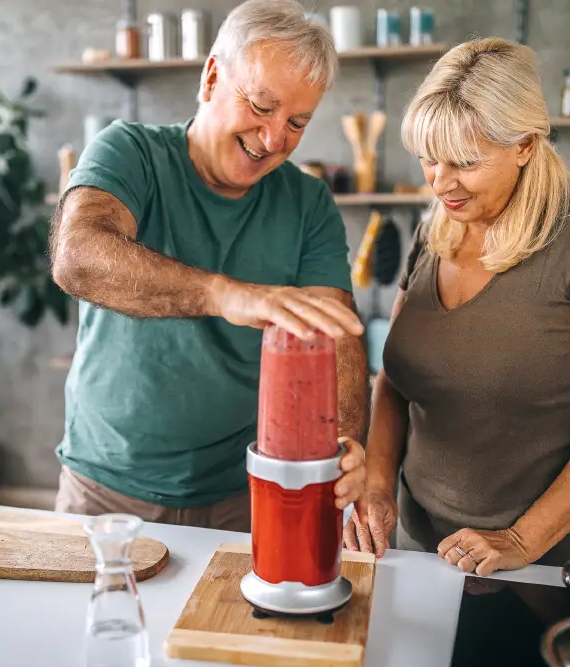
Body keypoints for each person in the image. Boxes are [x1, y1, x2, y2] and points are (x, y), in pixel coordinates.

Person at [344, 37, 570, 576]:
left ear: (526, 145)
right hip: (423, 551)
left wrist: (521, 538)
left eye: (464, 162)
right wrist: (377, 487)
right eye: (429, 157)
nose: (440, 182)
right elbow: (395, 379)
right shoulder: (434, 233)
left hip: (540, 568)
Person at [49, 0, 368, 532]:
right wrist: (229, 295)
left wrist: (347, 437)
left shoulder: (309, 201)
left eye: (297, 122)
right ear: (213, 76)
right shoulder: (130, 152)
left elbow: (338, 335)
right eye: (261, 106)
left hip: (242, 495)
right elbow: (76, 258)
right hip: (104, 490)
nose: (273, 140)